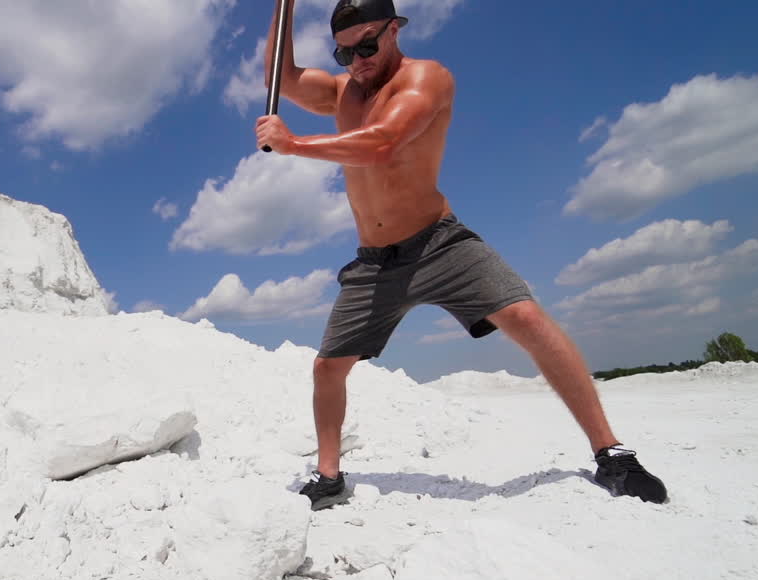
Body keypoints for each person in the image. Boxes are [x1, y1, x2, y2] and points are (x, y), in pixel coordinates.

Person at [255, 0, 668, 510]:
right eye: (344, 54)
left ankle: (612, 453)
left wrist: (295, 145)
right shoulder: (343, 93)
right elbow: (283, 74)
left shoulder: (427, 78)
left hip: (438, 243)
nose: (357, 62)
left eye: (366, 45)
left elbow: (385, 143)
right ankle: (329, 475)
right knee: (327, 369)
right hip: (375, 262)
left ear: (394, 30)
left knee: (527, 317)